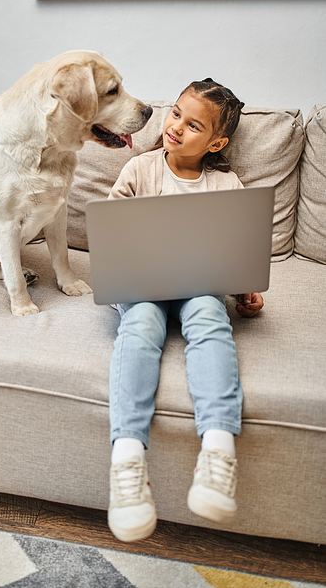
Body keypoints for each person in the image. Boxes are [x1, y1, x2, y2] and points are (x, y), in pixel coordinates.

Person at [107, 78, 264, 543]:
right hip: (141, 284)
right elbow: (111, 235)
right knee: (141, 324)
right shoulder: (138, 169)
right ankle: (128, 461)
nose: (176, 126)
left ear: (216, 142)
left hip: (199, 286)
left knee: (210, 318)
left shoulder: (226, 183)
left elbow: (236, 251)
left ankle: (218, 453)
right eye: (176, 113)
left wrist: (244, 291)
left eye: (193, 124)